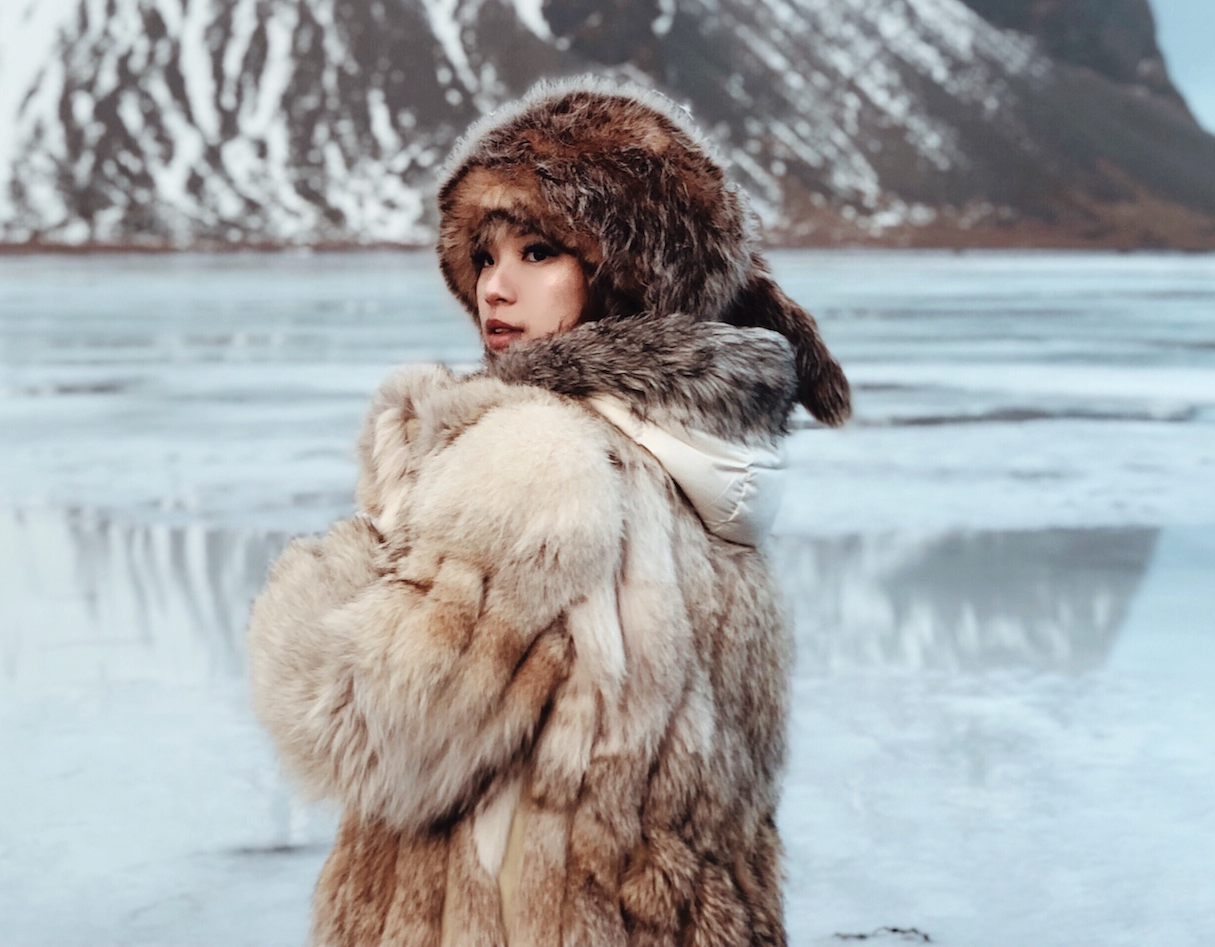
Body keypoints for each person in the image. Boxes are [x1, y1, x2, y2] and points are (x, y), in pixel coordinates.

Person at [248, 81, 850, 947]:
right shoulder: (696, 457)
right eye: (486, 257)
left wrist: (352, 551)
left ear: (623, 274)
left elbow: (363, 726)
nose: (497, 288)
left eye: (538, 252)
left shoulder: (536, 455)